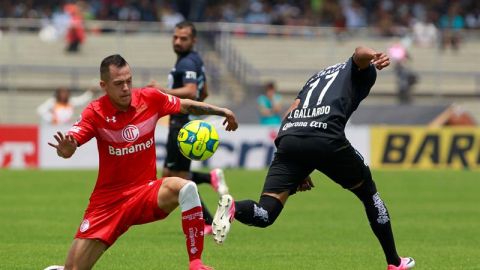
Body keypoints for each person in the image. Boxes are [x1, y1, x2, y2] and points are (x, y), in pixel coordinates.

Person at [212, 46, 415, 270]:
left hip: (289, 137)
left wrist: (300, 165)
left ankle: (234, 209)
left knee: (266, 213)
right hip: (325, 136)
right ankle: (394, 262)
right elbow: (358, 53)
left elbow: (292, 109)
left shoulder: (317, 77)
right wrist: (375, 55)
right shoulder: (357, 70)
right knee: (369, 195)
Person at [45, 54, 238, 270]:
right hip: (108, 203)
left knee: (186, 188)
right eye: (118, 83)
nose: (126, 88)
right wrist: (67, 149)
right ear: (104, 85)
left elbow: (185, 105)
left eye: (129, 81)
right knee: (73, 269)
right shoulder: (94, 112)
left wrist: (222, 111)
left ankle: (196, 263)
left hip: (144, 192)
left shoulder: (150, 99)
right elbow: (72, 141)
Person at [148, 21, 229, 235]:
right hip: (184, 121)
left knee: (179, 180)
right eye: (175, 37)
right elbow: (205, 92)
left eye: (183, 38)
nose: (178, 41)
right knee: (168, 174)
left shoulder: (185, 63)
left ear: (194, 40)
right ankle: (208, 178)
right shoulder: (195, 60)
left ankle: (208, 222)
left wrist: (160, 91)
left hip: (182, 125)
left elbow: (192, 92)